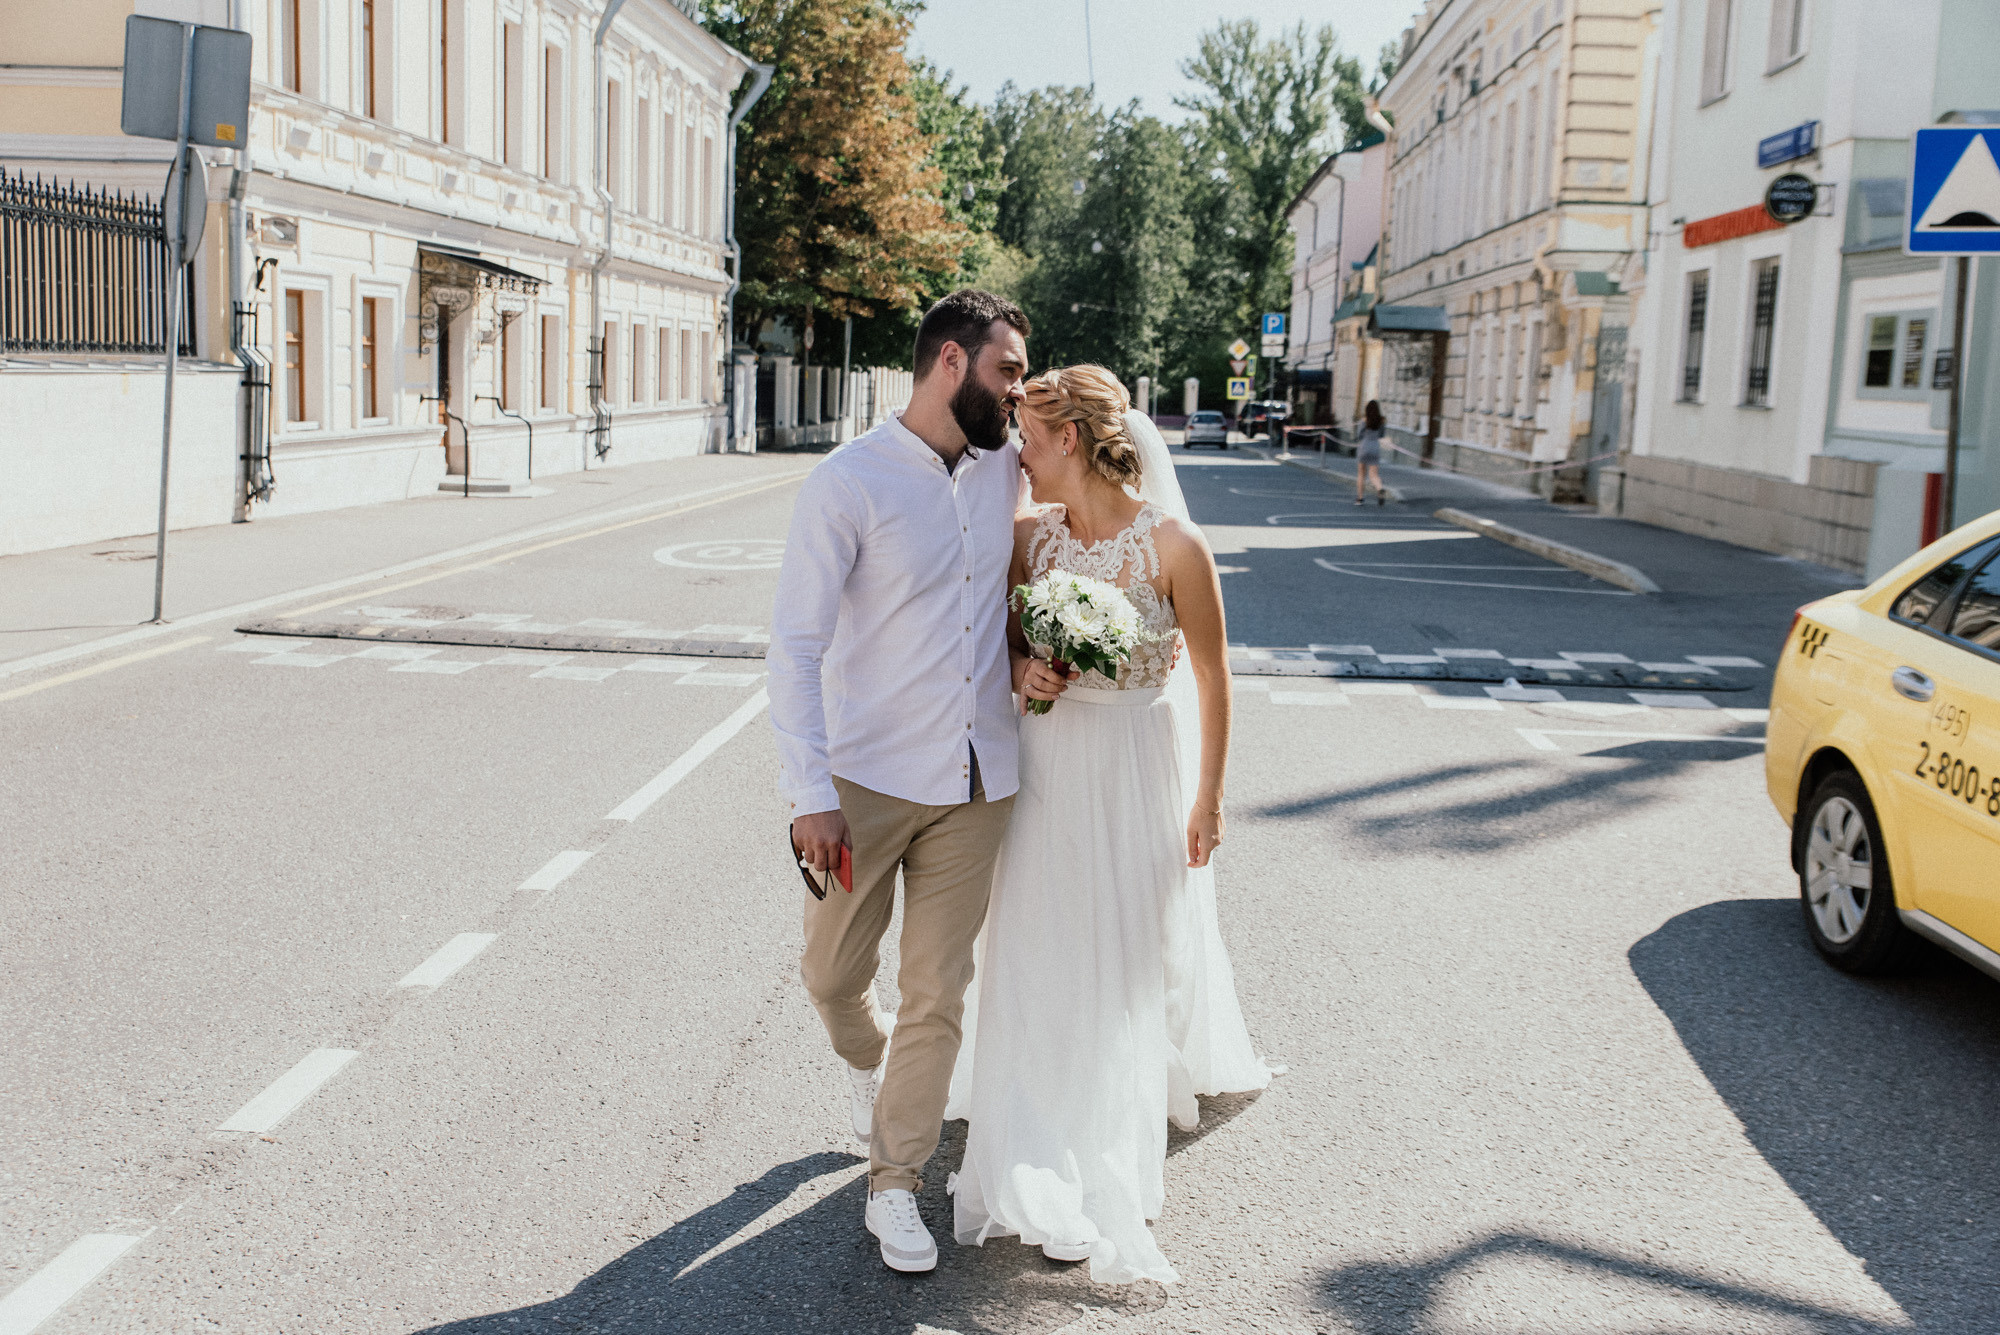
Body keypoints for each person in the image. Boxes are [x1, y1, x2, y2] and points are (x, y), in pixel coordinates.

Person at [945, 365, 1272, 1285]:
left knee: (1121, 963)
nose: (1019, 456)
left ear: (1072, 440)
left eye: (1029, 439)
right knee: (1036, 950)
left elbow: (1212, 676)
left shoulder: (1175, 546)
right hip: (1047, 764)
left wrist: (1209, 798)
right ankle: (1033, 1153)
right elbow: (1000, 640)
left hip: (1135, 766)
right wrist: (1024, 668)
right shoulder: (1029, 540)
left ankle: (1101, 1163)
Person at [766, 288, 1046, 1275]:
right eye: (1007, 371)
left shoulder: (1009, 467)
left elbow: (1042, 563)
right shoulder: (847, 482)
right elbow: (796, 648)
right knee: (830, 977)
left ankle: (896, 1182)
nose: (1017, 392)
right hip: (865, 781)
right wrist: (810, 792)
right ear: (950, 363)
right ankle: (866, 1060)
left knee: (938, 989)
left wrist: (1038, 654)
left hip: (979, 780)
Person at [1354, 400, 1387, 506]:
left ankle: (1360, 498)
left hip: (1364, 446)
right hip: (1375, 447)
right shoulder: (1381, 421)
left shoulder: (1364, 420)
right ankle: (1380, 488)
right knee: (1373, 474)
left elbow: (1359, 434)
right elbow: (1382, 435)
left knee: (1361, 474)